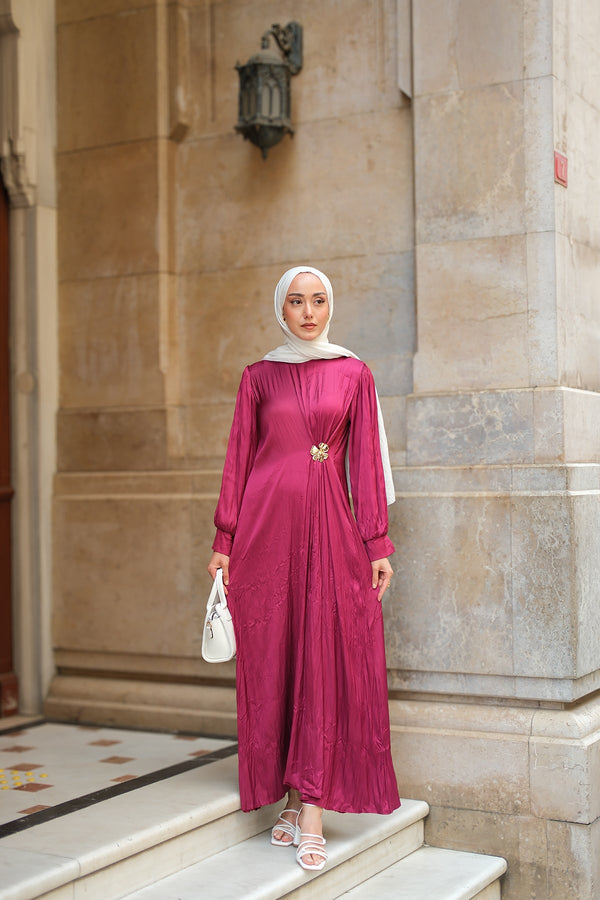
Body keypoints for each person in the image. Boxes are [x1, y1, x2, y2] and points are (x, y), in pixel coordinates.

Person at [207, 265, 400, 871]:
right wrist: (223, 537)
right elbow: (240, 456)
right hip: (264, 532)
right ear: (280, 309)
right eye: (297, 302)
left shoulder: (353, 373)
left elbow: (365, 462)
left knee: (326, 656)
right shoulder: (258, 377)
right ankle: (292, 798)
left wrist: (376, 542)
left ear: (330, 306)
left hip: (331, 529)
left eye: (318, 301)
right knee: (279, 659)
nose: (309, 312)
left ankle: (312, 805)